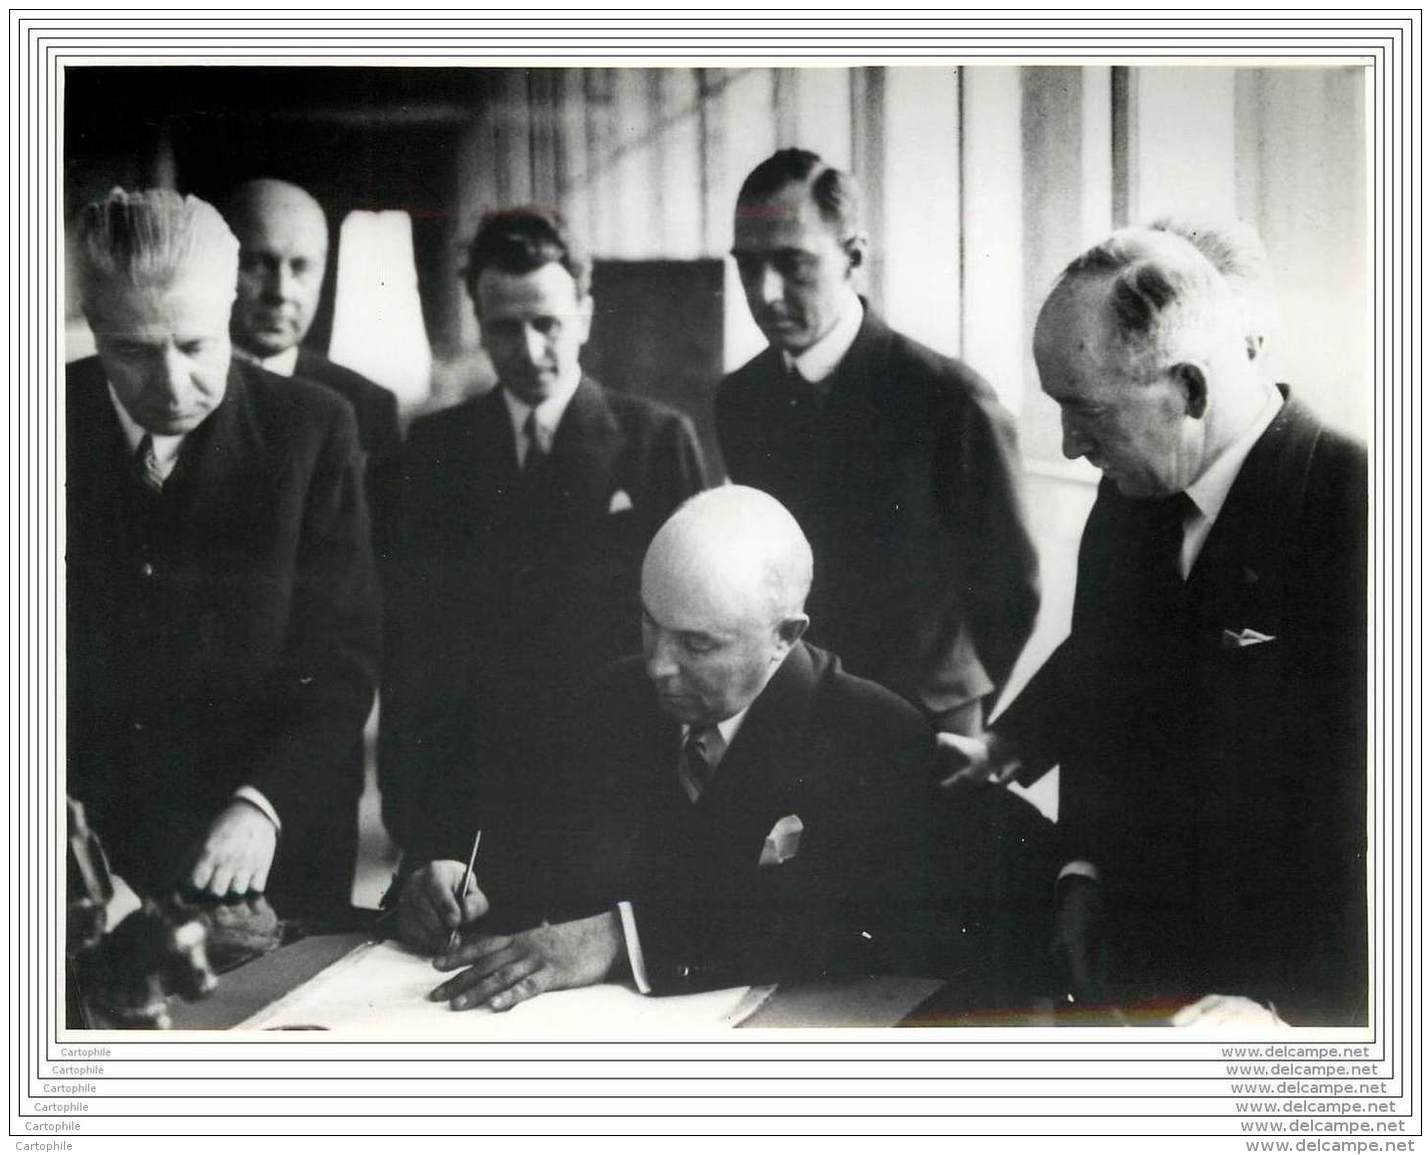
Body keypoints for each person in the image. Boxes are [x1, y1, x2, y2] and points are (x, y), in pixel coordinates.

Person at [944, 225, 1368, 1025]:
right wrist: (1081, 870)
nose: (1069, 446)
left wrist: (1296, 1016)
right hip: (1137, 970)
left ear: (1189, 390)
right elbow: (1102, 681)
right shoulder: (1129, 498)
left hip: (1288, 997)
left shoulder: (1365, 513)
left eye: (1084, 411)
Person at [399, 487, 953, 1010]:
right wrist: (452, 884)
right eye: (649, 622)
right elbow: (519, 848)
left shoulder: (876, 736)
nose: (659, 666)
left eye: (697, 643)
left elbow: (850, 927)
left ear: (785, 636)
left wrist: (625, 938)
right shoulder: (609, 698)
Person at [67, 188, 381, 915]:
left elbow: (343, 660)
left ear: (228, 311)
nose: (172, 384)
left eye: (196, 346)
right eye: (134, 353)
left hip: (266, 849)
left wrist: (261, 804)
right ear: (94, 326)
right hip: (83, 851)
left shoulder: (311, 430)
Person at [381, 206, 709, 872]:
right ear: (477, 322)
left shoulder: (658, 441)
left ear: (584, 314)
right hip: (472, 793)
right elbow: (409, 643)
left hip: (615, 787)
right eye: (504, 328)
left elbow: (694, 633)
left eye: (547, 324)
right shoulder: (435, 450)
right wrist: (412, 812)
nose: (528, 351)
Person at [715, 148, 1040, 737]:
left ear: (854, 257)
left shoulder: (948, 398)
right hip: (799, 712)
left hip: (923, 720)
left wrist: (953, 703)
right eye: (748, 265)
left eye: (793, 263)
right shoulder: (741, 400)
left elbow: (1011, 587)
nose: (765, 292)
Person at [223, 177, 402, 468]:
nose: (280, 292)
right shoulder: (176, 389)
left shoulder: (367, 406)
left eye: (301, 267)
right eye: (258, 263)